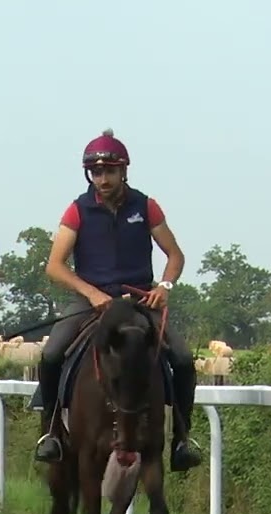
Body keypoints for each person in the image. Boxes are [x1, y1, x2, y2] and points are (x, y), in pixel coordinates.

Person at [31, 129, 201, 472]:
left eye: (109, 171)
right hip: (91, 301)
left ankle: (182, 439)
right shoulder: (77, 210)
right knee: (50, 354)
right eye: (96, 172)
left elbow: (175, 255)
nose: (103, 179)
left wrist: (164, 286)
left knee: (182, 359)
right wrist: (91, 293)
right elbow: (54, 265)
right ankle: (51, 432)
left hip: (139, 302)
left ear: (124, 171)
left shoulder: (146, 206)